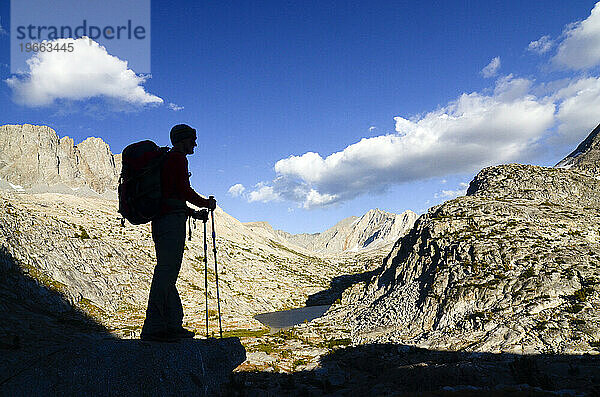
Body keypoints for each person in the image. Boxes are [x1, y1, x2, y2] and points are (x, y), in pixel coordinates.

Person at [140, 124, 216, 342]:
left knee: (167, 272)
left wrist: (194, 213)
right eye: (193, 139)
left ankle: (171, 324)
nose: (195, 143)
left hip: (163, 220)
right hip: (170, 224)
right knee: (166, 273)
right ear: (182, 140)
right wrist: (206, 203)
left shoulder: (168, 159)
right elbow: (183, 190)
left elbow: (173, 196)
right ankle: (154, 326)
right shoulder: (178, 158)